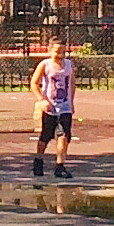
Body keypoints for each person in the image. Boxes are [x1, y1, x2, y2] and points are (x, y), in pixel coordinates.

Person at [32, 43, 79, 179]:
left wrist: (71, 102)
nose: (60, 55)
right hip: (50, 106)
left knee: (64, 135)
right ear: (50, 50)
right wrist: (42, 99)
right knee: (46, 136)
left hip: (65, 106)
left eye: (63, 52)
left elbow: (72, 83)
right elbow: (34, 83)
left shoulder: (69, 65)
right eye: (57, 51)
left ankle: (60, 166)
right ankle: (39, 160)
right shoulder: (45, 65)